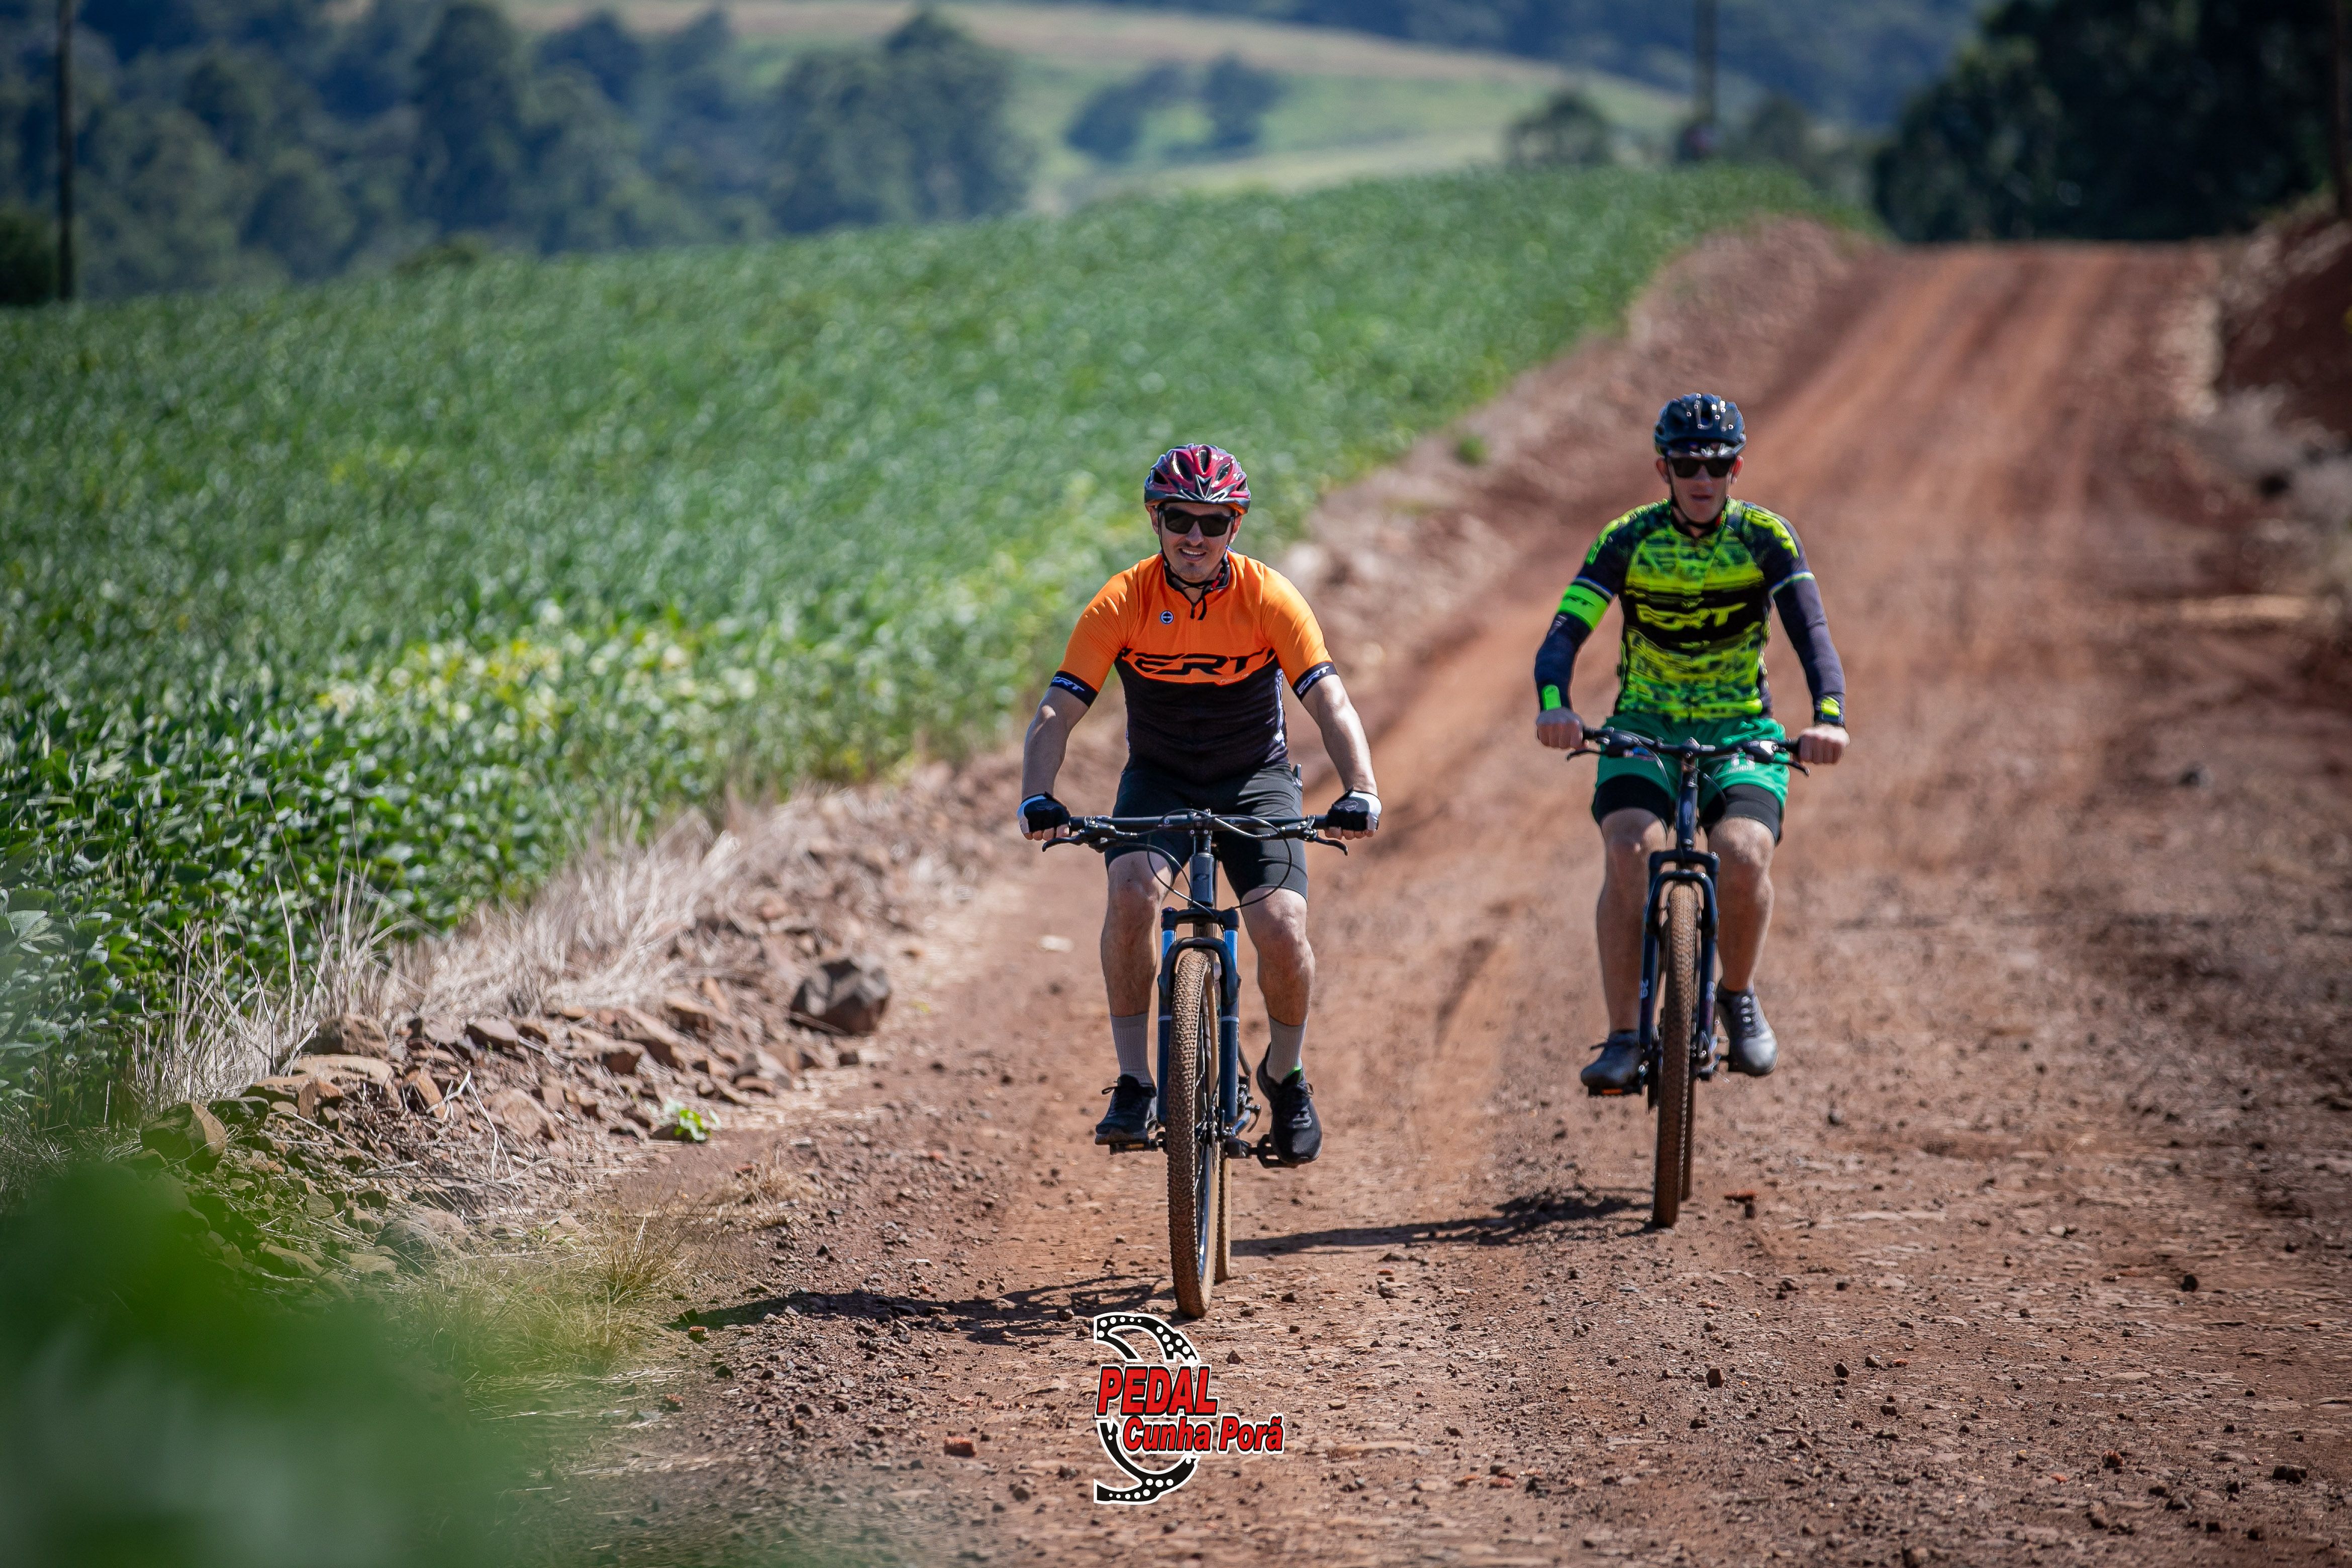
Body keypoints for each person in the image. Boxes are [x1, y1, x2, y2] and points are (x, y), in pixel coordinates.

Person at [1019, 443, 1381, 1164]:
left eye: (1213, 523)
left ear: (1234, 528)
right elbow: (1058, 709)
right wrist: (1038, 794)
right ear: (1155, 519)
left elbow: (1329, 700)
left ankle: (1287, 1076)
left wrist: (1361, 788)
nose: (1195, 536)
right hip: (1159, 778)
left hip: (1256, 779)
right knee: (1131, 893)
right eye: (1180, 519)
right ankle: (1134, 1081)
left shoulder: (1268, 597)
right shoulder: (1123, 600)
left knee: (1281, 927)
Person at [1532, 394, 1848, 1092]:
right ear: (1663, 469)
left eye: (1717, 465)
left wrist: (1829, 716)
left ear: (1737, 468)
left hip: (1741, 729)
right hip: (1644, 725)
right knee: (1628, 849)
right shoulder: (1628, 538)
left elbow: (1812, 635)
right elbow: (1564, 633)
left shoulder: (1767, 537)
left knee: (1743, 852)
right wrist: (1555, 706)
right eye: (1686, 465)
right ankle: (1624, 1034)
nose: (1702, 478)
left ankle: (1737, 994)